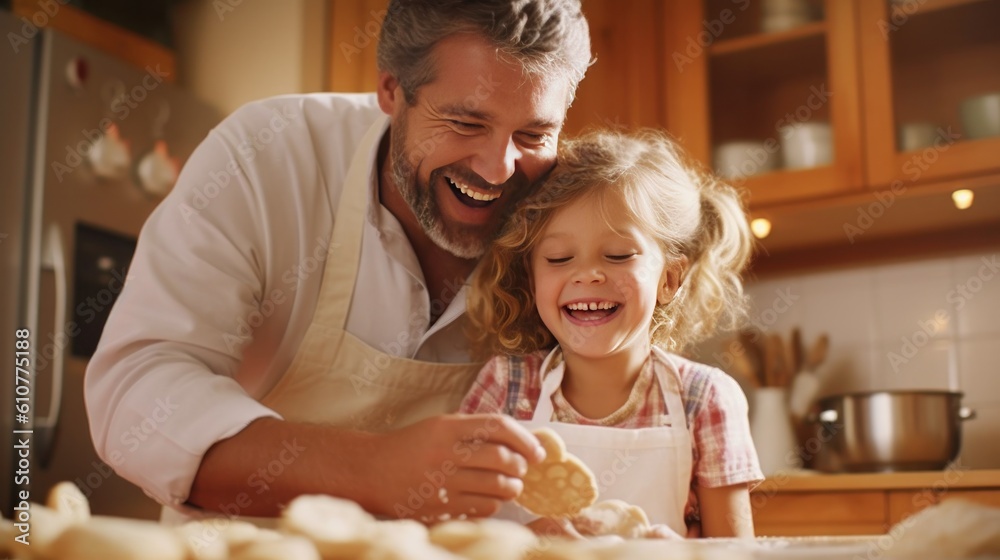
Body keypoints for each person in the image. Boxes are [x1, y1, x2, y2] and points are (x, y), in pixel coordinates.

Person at [84, 0, 592, 524]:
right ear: (392, 91)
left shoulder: (572, 215)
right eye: (465, 122)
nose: (497, 168)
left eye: (533, 135)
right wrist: (370, 470)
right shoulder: (268, 155)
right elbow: (136, 391)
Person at [459, 128, 764, 539]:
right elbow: (455, 527)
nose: (587, 274)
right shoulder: (505, 387)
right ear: (532, 278)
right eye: (559, 257)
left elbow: (735, 554)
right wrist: (529, 540)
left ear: (669, 279)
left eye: (618, 255)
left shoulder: (705, 399)